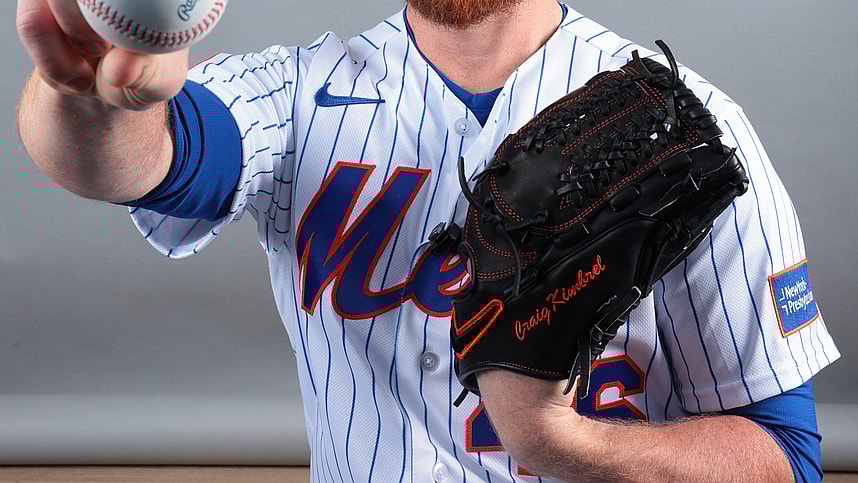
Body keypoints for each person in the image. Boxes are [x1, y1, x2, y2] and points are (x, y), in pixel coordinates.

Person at [16, 0, 839, 481]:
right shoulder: (302, 95)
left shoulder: (688, 130)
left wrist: (559, 440)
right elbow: (150, 159)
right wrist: (86, 94)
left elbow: (785, 455)